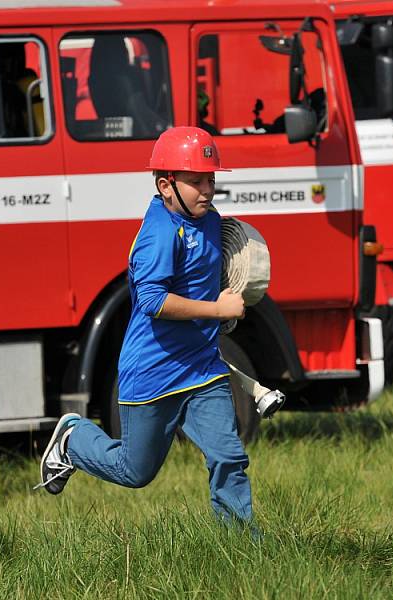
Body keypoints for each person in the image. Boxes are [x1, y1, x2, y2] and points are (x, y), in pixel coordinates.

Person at [36, 127, 253, 526]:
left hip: (203, 369)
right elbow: (153, 302)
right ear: (165, 185)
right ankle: (73, 440)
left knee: (229, 457)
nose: (207, 190)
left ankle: (241, 547)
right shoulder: (158, 234)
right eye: (196, 181)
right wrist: (218, 311)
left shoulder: (209, 220)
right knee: (136, 472)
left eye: (212, 180)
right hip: (152, 374)